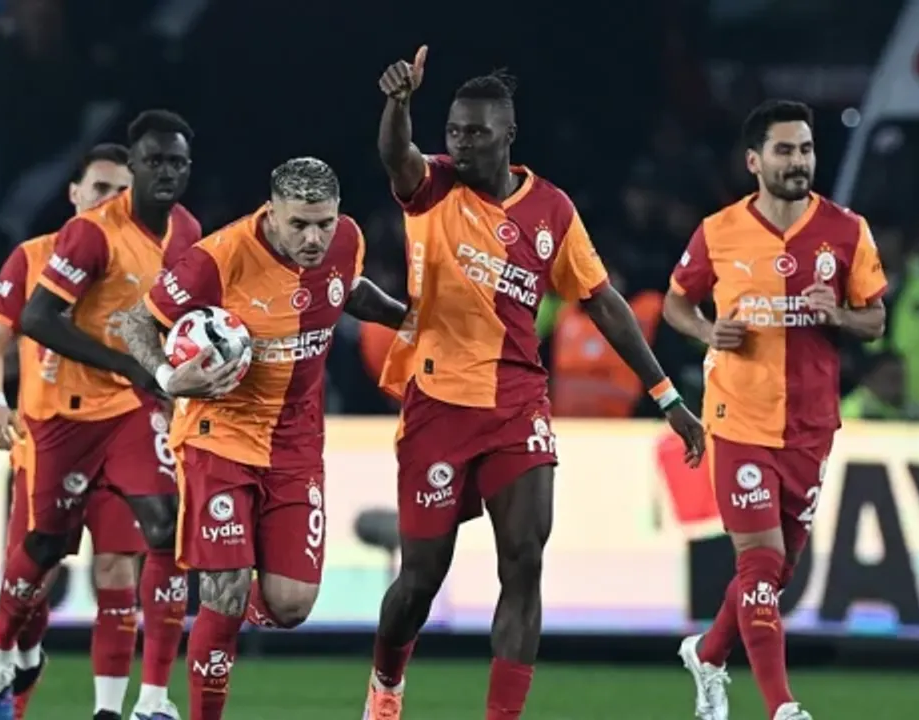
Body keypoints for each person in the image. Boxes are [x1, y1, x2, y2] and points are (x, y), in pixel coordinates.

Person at [364, 47, 705, 720]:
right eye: (454, 130)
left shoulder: (551, 209)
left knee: (523, 561)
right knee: (420, 580)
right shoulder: (432, 185)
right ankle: (386, 686)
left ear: (509, 133)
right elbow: (394, 154)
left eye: (476, 131)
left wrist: (666, 395)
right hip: (438, 406)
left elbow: (603, 301)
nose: (461, 142)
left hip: (518, 405)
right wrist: (398, 104)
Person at [121, 157, 408, 720]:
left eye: (324, 223)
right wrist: (169, 378)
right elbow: (135, 321)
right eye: (299, 224)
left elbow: (346, 290)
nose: (314, 238)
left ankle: (225, 602)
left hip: (296, 446)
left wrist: (409, 318)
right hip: (219, 435)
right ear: (271, 214)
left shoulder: (347, 241)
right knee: (225, 593)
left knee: (292, 604)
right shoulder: (217, 259)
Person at [663, 100, 888, 720]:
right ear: (754, 161)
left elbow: (875, 319)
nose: (798, 162)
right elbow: (676, 303)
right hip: (739, 417)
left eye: (805, 149)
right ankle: (781, 707)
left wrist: (837, 315)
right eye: (785, 150)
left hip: (811, 425)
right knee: (759, 563)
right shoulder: (719, 231)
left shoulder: (847, 231)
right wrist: (708, 332)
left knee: (775, 574)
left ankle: (708, 653)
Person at [0, 110, 203, 720]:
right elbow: (23, 326)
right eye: (100, 185)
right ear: (75, 191)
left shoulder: (185, 232)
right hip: (57, 424)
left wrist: (186, 363)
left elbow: (178, 309)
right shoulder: (67, 244)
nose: (163, 173)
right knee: (45, 553)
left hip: (129, 411)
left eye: (176, 162)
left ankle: (144, 702)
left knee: (157, 534)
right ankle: (3, 641)